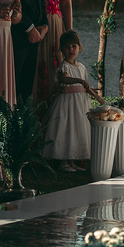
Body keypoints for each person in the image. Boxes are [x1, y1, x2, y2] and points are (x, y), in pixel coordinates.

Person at [43, 30, 102, 172]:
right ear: (62, 49)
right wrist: (79, 80)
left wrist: (98, 98)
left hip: (80, 105)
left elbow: (85, 88)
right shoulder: (64, 67)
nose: (70, 49)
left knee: (77, 130)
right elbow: (64, 79)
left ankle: (72, 160)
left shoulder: (82, 68)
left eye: (74, 46)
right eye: (67, 46)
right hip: (67, 105)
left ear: (79, 48)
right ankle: (63, 161)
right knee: (66, 129)